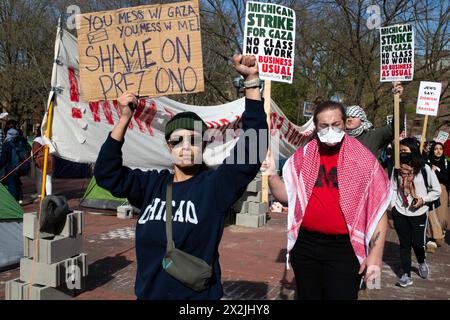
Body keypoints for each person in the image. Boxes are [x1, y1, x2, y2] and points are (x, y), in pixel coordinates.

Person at [94, 54, 268, 300]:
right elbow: (106, 174)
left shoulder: (214, 187)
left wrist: (251, 82)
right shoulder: (151, 185)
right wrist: (124, 118)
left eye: (194, 140)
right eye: (178, 140)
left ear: (204, 146)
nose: (186, 146)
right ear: (168, 146)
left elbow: (255, 147)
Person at [261, 101, 391, 300]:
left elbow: (378, 210)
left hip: (343, 249)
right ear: (316, 126)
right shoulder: (303, 156)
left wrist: (375, 256)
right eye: (324, 125)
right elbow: (288, 197)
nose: (331, 130)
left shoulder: (363, 159)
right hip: (306, 245)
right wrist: (271, 175)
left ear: (344, 124)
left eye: (336, 124)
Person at [390, 137, 441, 287]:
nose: (402, 153)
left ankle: (421, 261)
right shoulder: (397, 168)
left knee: (418, 244)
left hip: (419, 213)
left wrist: (423, 200)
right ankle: (406, 275)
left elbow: (436, 190)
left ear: (413, 150)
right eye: (400, 151)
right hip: (400, 212)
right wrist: (394, 206)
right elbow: (393, 188)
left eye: (404, 150)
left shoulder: (424, 169)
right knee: (404, 244)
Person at [345, 82, 405, 157]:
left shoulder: (373, 136)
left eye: (353, 117)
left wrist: (398, 100)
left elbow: (396, 128)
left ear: (362, 120)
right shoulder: (339, 138)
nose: (349, 119)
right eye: (347, 117)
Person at [425, 141, 449, 252]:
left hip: (442, 190)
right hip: (430, 190)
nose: (438, 151)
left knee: (442, 217)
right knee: (431, 214)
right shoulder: (427, 163)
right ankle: (431, 238)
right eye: (436, 149)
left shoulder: (446, 163)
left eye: (440, 149)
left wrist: (437, 172)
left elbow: (447, 178)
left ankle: (440, 233)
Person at [0, 126, 31, 202]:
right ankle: (20, 198)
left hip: (11, 167)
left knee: (12, 184)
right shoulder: (23, 142)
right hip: (22, 166)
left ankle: (13, 201)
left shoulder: (7, 144)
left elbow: (4, 159)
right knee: (17, 181)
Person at [32, 125, 54, 197]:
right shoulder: (50, 139)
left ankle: (40, 195)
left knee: (40, 180)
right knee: (48, 180)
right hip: (50, 160)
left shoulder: (38, 139)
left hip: (41, 161)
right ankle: (49, 196)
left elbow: (34, 151)